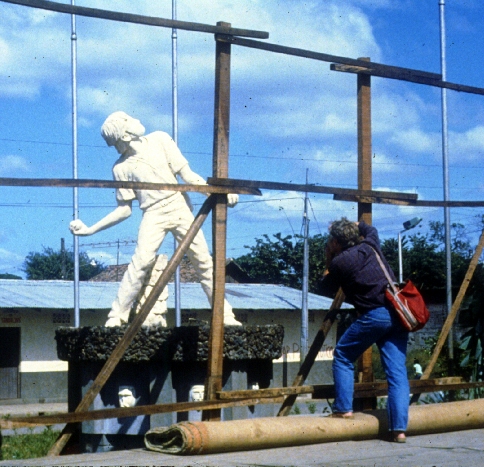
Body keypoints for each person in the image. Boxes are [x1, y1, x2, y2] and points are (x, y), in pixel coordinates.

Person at [70, 111, 241, 327]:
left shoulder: (160, 139)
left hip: (178, 207)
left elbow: (189, 177)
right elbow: (124, 210)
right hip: (153, 214)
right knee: (140, 263)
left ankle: (225, 315)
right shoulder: (121, 168)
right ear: (123, 134)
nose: (137, 121)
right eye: (129, 121)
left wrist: (219, 195)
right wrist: (90, 230)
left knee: (203, 263)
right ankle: (116, 316)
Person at [322, 217, 409, 443]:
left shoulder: (339, 262)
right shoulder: (371, 243)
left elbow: (324, 287)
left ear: (337, 242)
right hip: (399, 314)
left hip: (375, 315)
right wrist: (354, 223)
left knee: (342, 355)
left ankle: (343, 408)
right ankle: (399, 430)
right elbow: (370, 228)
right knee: (397, 372)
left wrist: (329, 256)